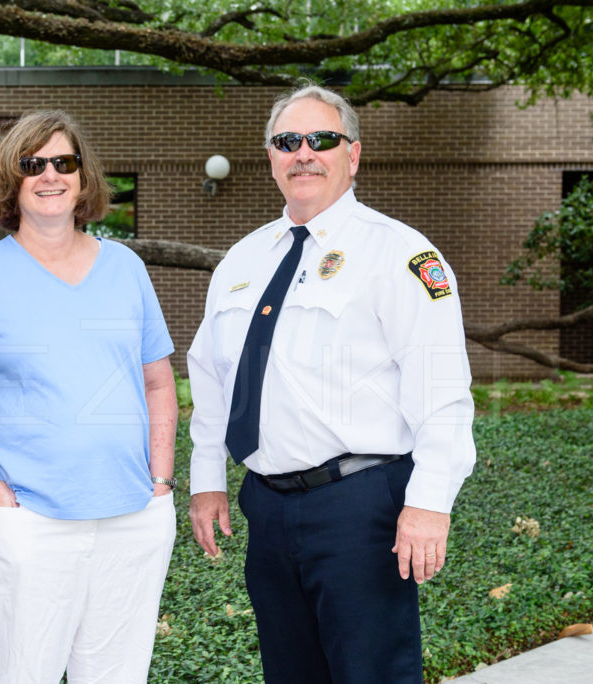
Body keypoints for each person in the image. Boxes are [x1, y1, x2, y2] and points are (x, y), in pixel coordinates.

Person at [187, 84, 476, 684]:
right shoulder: (242, 261)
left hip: (359, 505)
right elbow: (213, 378)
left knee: (371, 673)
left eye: (322, 140)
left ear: (354, 154)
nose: (304, 154)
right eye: (288, 141)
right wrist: (208, 480)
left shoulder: (398, 254)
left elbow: (442, 390)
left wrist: (427, 505)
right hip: (265, 505)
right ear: (270, 156)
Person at [0, 109, 178, 683]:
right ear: (12, 179)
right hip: (28, 522)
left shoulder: (126, 267)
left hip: (131, 517)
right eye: (33, 164)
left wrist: (161, 484)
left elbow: (158, 382)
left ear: (84, 178)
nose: (50, 175)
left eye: (64, 162)